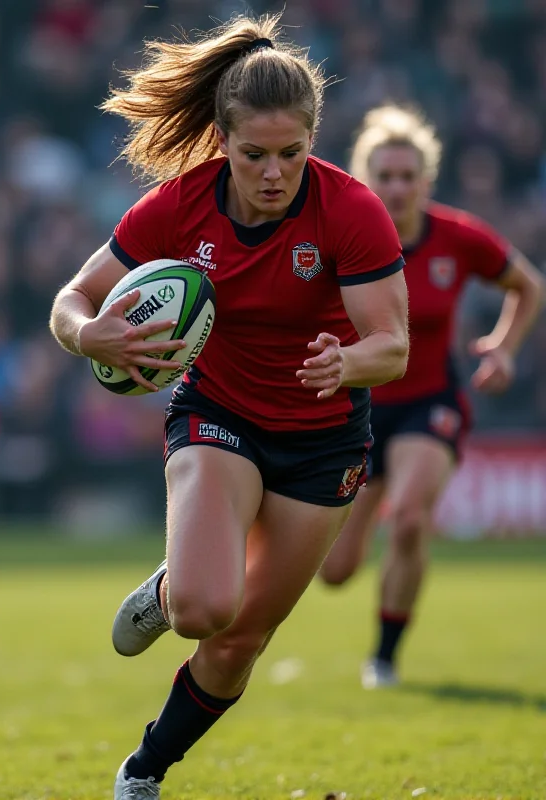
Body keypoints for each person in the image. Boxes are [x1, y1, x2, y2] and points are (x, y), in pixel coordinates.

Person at [49, 14, 409, 799]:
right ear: (222, 140)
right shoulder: (178, 207)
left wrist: (349, 359)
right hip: (221, 416)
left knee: (240, 638)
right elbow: (71, 300)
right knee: (205, 609)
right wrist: (91, 336)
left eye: (292, 154)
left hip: (324, 445)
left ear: (314, 141)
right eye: (254, 155)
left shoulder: (351, 211)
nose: (274, 173)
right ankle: (177, 588)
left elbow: (395, 346)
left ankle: (143, 770)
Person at [319, 105, 545, 690]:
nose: (396, 187)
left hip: (431, 402)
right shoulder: (340, 236)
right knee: (336, 571)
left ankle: (385, 658)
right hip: (358, 407)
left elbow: (528, 286)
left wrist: (503, 347)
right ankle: (359, 526)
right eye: (384, 175)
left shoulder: (458, 236)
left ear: (426, 179)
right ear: (366, 179)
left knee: (414, 519)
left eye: (407, 175)